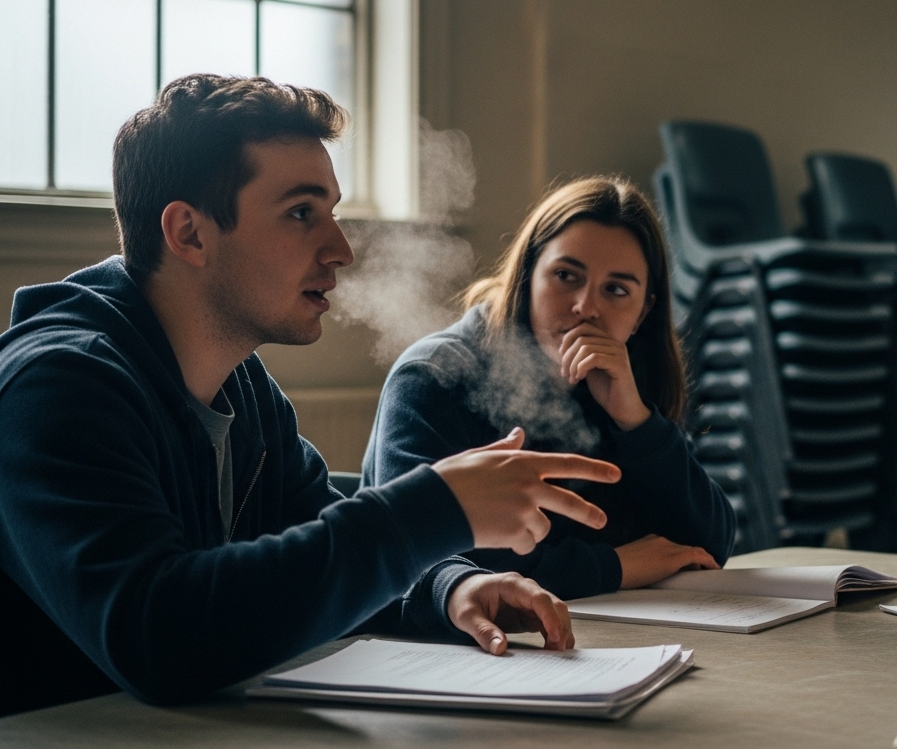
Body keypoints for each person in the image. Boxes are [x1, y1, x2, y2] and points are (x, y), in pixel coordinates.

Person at [0, 75, 621, 717]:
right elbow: (160, 637)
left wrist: (448, 585)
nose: (341, 249)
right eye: (302, 214)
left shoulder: (240, 385)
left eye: (333, 213)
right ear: (188, 233)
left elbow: (306, 537)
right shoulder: (56, 387)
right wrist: (433, 510)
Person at [363, 176, 735, 600]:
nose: (586, 307)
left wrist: (636, 420)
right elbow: (422, 560)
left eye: (616, 290)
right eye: (565, 275)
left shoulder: (622, 386)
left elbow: (707, 547)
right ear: (527, 276)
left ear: (643, 311)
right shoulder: (434, 376)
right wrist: (613, 567)